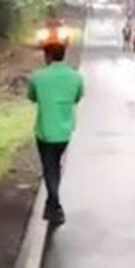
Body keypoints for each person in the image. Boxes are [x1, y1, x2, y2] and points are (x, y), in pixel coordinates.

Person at [27, 42, 84, 225]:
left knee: (50, 167)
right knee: (55, 165)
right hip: (64, 130)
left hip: (44, 129)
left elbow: (32, 97)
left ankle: (55, 205)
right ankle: (51, 204)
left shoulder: (38, 77)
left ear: (48, 56)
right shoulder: (76, 77)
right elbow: (77, 97)